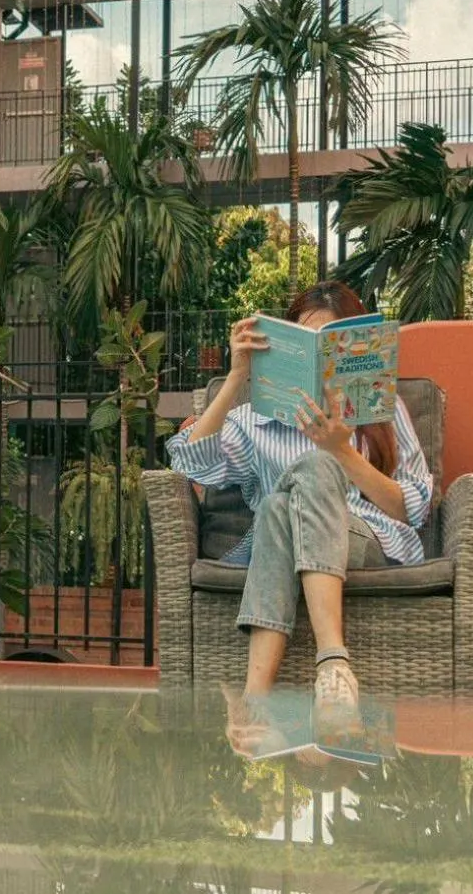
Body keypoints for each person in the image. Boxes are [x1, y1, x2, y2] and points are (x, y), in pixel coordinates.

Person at [165, 282, 433, 748]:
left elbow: (413, 507)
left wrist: (341, 452)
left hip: (365, 541)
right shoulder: (254, 420)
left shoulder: (382, 409)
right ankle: (259, 702)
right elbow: (188, 465)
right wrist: (235, 378)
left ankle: (328, 662)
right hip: (282, 539)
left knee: (308, 469)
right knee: (275, 505)